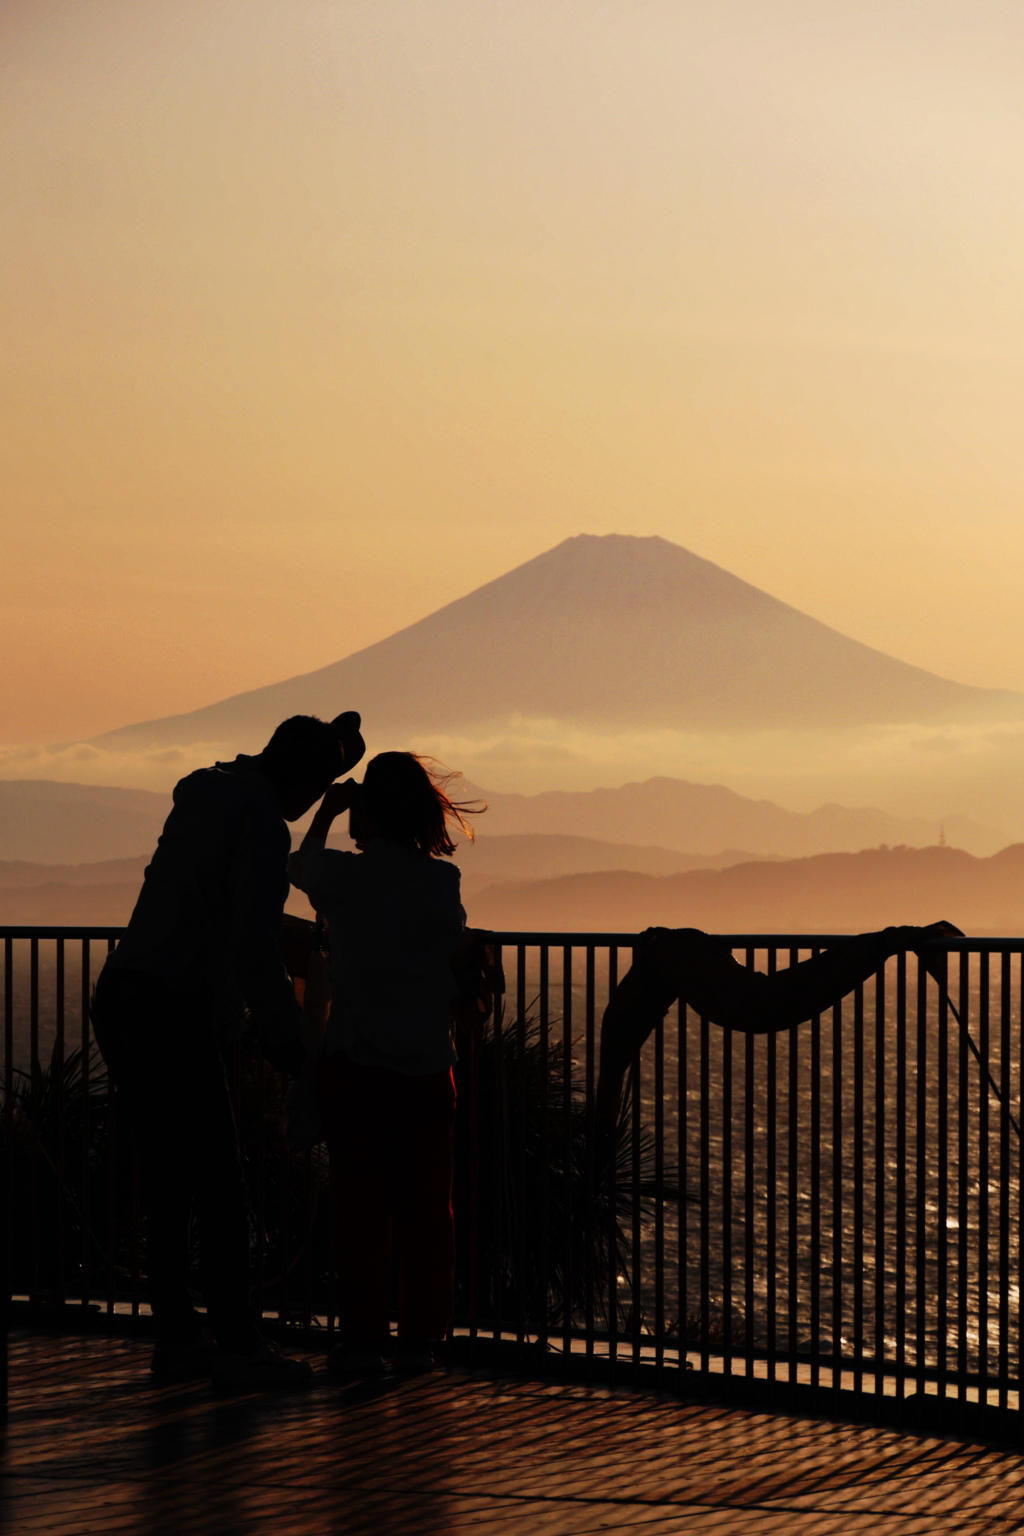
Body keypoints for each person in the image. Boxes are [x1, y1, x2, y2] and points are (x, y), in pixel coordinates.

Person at [90, 711, 365, 1389]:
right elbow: (252, 942)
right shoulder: (264, 827)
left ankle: (179, 1337)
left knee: (173, 1179)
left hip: (124, 993)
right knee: (217, 1180)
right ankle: (239, 1343)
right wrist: (287, 1038)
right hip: (171, 1008)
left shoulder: (206, 790)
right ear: (303, 781)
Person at [287, 752, 478, 1376]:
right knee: (428, 1210)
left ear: (367, 809)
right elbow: (447, 946)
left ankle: (362, 1341)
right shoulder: (439, 884)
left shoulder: (344, 878)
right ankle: (421, 1341)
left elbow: (299, 866)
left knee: (360, 1209)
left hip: (356, 1066)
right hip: (426, 1068)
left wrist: (327, 811)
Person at [595, 918, 964, 1146]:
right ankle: (886, 942)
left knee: (768, 1005)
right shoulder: (636, 1006)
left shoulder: (629, 1018)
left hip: (671, 954)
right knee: (768, 1005)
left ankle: (887, 942)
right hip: (672, 953)